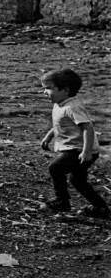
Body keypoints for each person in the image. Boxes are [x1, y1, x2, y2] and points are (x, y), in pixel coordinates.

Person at [39, 67, 109, 218]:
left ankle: (62, 201)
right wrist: (48, 136)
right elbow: (60, 124)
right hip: (74, 148)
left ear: (65, 90)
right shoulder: (60, 104)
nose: (44, 92)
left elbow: (87, 128)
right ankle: (100, 208)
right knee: (78, 181)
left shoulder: (73, 107)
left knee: (55, 168)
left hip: (79, 150)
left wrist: (86, 151)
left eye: (49, 88)